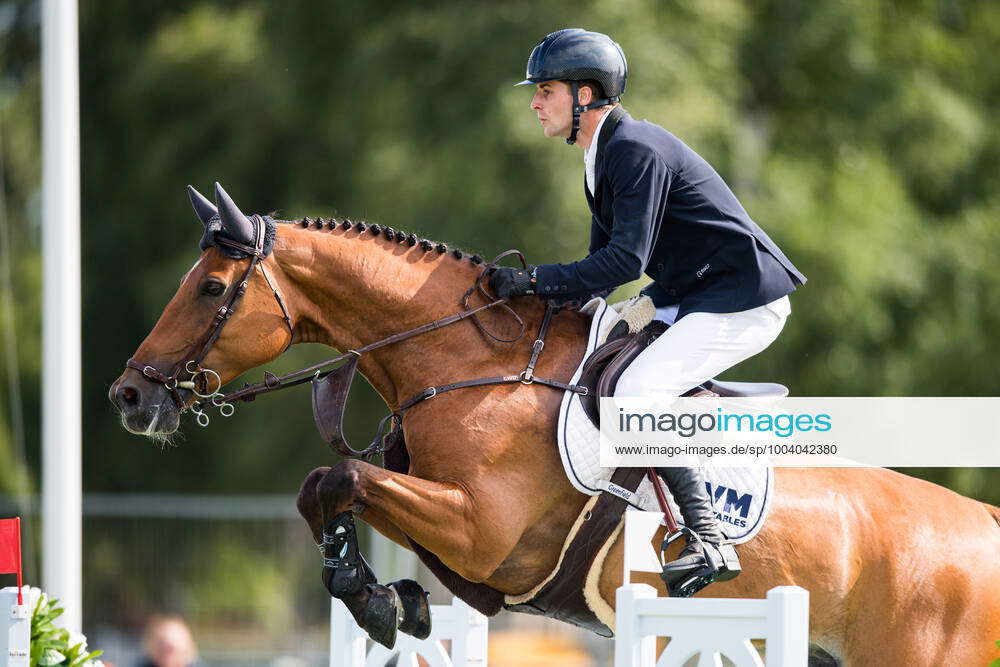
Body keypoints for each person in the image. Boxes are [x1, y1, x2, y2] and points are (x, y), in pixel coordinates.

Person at [490, 28, 806, 590]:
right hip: (692, 293)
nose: (535, 102)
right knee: (597, 336)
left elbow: (621, 262)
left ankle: (705, 536)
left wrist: (532, 281)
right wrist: (551, 305)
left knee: (637, 393)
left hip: (743, 300)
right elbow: (598, 267)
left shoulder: (633, 149)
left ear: (585, 95)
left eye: (546, 90)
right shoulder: (601, 156)